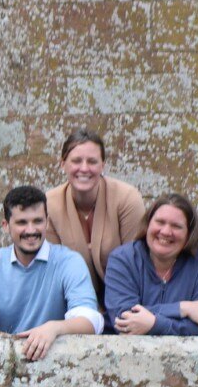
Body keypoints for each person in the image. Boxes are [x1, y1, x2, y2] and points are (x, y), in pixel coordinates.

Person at [0, 185, 105, 361]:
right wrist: (7, 342)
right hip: (6, 360)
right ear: (5, 226)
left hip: (58, 360)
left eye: (37, 221)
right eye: (22, 222)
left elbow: (92, 320)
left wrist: (53, 328)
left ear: (47, 222)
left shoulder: (69, 262)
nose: (31, 230)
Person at [43, 127, 146, 298]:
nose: (84, 168)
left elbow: (138, 261)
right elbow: (54, 269)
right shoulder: (49, 204)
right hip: (73, 300)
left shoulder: (127, 198)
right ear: (63, 164)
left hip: (126, 297)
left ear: (102, 165)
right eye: (76, 161)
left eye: (92, 161)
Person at [103, 195, 198, 336]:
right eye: (160, 222)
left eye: (176, 226)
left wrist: (153, 323)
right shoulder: (123, 258)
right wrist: (182, 308)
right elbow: (123, 322)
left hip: (185, 354)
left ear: (189, 234)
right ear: (148, 224)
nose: (165, 232)